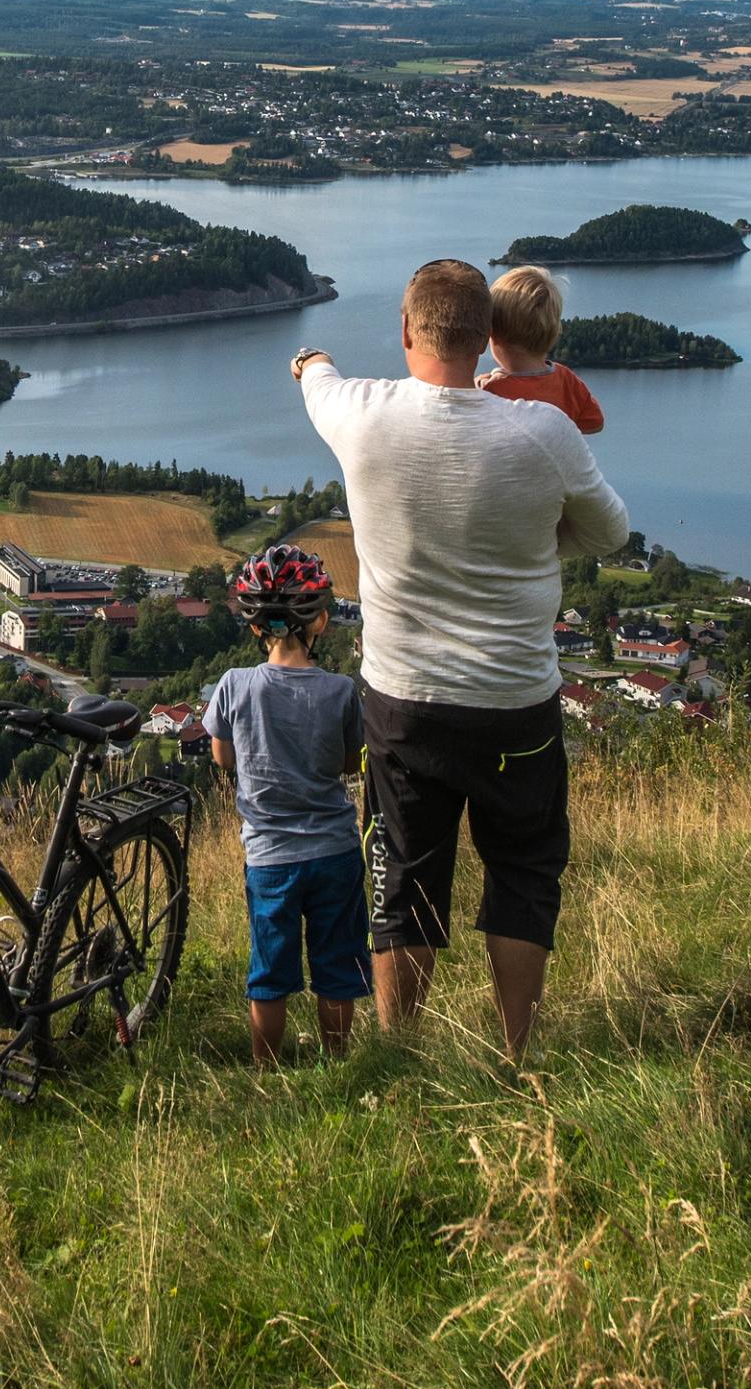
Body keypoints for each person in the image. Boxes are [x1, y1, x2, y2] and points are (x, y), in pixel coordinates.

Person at [291, 259, 632, 1059]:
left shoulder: (365, 416)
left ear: (407, 331)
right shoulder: (543, 433)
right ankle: (516, 1053)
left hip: (405, 699)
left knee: (405, 875)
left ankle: (397, 1051)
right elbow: (611, 534)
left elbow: (318, 378)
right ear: (486, 340)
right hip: (516, 701)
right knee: (521, 871)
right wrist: (542, 537)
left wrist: (306, 358)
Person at [205, 544, 369, 1069]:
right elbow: (350, 762)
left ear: (257, 627)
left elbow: (223, 757)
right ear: (320, 620)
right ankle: (337, 1063)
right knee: (337, 967)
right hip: (335, 853)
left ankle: (264, 1071)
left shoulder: (235, 686)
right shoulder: (341, 691)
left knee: (270, 972)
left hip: (269, 856)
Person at [478, 265, 603, 433]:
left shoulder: (490, 391)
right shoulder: (566, 379)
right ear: (554, 330)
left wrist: (475, 386)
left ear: (493, 334)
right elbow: (595, 424)